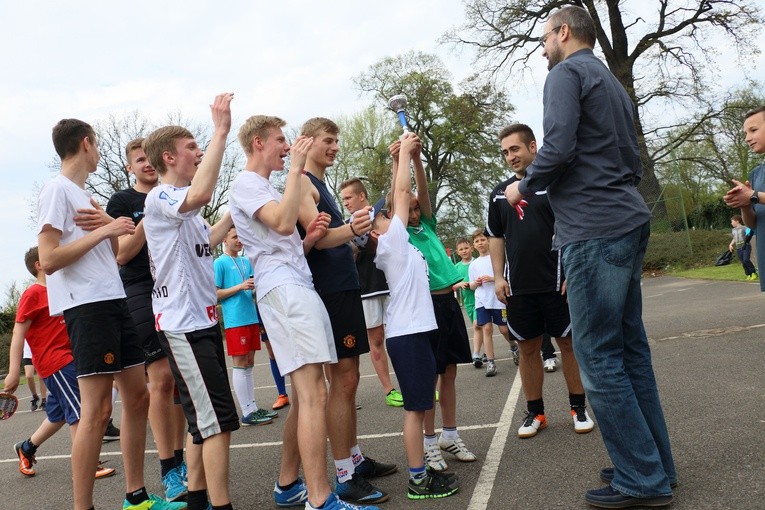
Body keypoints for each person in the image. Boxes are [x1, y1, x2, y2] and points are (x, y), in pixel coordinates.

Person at [503, 7, 676, 507]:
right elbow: (629, 158)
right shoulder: (609, 81)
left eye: (544, 38)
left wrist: (524, 187)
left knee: (598, 358)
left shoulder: (566, 74)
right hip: (626, 215)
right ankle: (653, 465)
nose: (542, 49)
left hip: (594, 228)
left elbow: (554, 149)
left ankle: (642, 478)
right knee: (630, 352)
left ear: (562, 32)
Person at [229, 114, 377, 510]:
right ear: (259, 142)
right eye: (280, 139)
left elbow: (284, 244)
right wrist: (296, 167)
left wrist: (308, 240)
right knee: (314, 394)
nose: (286, 145)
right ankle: (320, 498)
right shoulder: (247, 182)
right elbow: (279, 225)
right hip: (286, 293)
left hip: (295, 286)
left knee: (303, 396)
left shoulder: (265, 186)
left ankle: (288, 483)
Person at [37, 118, 184, 510]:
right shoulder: (57, 189)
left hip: (114, 300)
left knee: (137, 398)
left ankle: (135, 496)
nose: (99, 151)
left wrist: (106, 224)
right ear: (86, 144)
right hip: (87, 307)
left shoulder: (84, 196)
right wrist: (103, 231)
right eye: (98, 144)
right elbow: (49, 259)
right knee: (98, 410)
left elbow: (118, 248)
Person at [142, 94, 240, 510]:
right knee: (218, 422)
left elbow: (208, 241)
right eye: (191, 148)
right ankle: (221, 505)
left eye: (202, 145)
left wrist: (241, 205)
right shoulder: (160, 198)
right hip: (182, 324)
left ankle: (198, 499)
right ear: (169, 157)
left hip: (201, 321)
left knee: (204, 423)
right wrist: (220, 132)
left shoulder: (187, 212)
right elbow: (199, 196)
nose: (199, 153)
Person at [297, 118, 395, 505]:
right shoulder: (304, 181)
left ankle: (353, 459)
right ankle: (343, 475)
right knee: (343, 380)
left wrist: (357, 239)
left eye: (337, 140)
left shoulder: (322, 185)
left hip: (345, 286)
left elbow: (335, 241)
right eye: (328, 140)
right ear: (309, 142)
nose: (335, 146)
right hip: (330, 291)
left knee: (349, 379)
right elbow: (318, 241)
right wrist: (354, 229)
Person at [488, 123, 594, 439]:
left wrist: (573, 271)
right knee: (528, 347)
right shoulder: (498, 194)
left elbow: (575, 228)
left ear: (533, 147)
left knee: (568, 345)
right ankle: (535, 413)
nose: (510, 156)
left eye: (515, 149)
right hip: (519, 287)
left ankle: (579, 408)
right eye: (505, 152)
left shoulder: (556, 185)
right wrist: (497, 277)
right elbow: (495, 237)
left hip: (558, 281)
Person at [370, 132, 459, 500]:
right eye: (385, 215)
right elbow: (403, 195)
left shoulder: (403, 243)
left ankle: (420, 475)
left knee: (422, 404)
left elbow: (403, 197)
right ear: (377, 231)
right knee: (416, 409)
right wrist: (406, 153)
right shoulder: (390, 244)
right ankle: (418, 480)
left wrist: (399, 162)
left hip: (415, 332)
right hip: (407, 336)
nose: (394, 215)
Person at [107, 137, 189, 502]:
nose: (146, 164)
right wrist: (148, 216)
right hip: (140, 289)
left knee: (182, 376)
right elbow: (122, 255)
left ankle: (183, 459)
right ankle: (168, 468)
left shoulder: (174, 193)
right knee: (162, 375)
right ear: (130, 166)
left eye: (148, 158)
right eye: (138, 159)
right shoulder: (123, 202)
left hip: (176, 285)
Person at [389, 138, 477, 472]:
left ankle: (449, 434)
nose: (414, 213)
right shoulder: (401, 234)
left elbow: (421, 191)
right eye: (408, 209)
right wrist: (399, 164)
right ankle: (428, 441)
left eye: (416, 209)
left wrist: (417, 160)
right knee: (428, 378)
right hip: (425, 310)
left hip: (449, 304)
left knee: (450, 372)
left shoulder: (426, 225)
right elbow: (399, 195)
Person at [4, 247, 115, 481]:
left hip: (71, 358)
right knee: (80, 411)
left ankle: (26, 448)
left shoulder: (60, 289)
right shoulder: (32, 293)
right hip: (55, 363)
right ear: (38, 264)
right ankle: (89, 465)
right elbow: (18, 333)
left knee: (58, 415)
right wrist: (14, 371)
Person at [339, 177, 404, 408]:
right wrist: (354, 243)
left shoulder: (383, 215)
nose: (345, 202)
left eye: (348, 197)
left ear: (362, 196)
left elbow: (398, 192)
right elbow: (351, 253)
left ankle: (411, 384)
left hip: (392, 283)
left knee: (401, 335)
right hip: (367, 289)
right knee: (376, 339)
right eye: (343, 199)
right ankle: (390, 390)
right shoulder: (345, 226)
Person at [214, 226, 277, 425]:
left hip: (251, 318)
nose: (239, 240)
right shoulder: (220, 263)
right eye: (234, 237)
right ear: (224, 239)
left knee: (250, 362)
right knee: (240, 363)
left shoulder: (245, 261)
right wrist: (240, 287)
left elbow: (253, 285)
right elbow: (214, 294)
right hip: (235, 321)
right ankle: (247, 412)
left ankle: (253, 407)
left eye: (240, 237)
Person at [725, 107, 765, 291]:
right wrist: (745, 204)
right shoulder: (756, 173)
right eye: (745, 133)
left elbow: (756, 196)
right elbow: (753, 224)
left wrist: (754, 196)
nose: (747, 138)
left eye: (754, 130)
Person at [467, 229, 513, 378]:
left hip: (497, 299)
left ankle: (513, 346)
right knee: (486, 329)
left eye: (482, 240)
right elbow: (472, 286)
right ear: (474, 245)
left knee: (504, 330)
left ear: (488, 241)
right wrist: (476, 282)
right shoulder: (473, 265)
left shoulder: (497, 258)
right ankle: (491, 362)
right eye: (477, 241)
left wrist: (493, 278)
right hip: (481, 301)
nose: (480, 243)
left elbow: (504, 277)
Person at [451, 238, 484, 368]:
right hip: (468, 302)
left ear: (471, 248)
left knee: (477, 325)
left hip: (480, 299)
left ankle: (476, 354)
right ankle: (488, 350)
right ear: (457, 252)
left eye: (466, 248)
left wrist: (476, 283)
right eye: (461, 249)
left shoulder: (477, 262)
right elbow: (452, 285)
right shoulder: (456, 267)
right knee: (481, 327)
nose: (464, 251)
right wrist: (460, 284)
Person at [728, 215, 758, 280]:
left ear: (737, 221)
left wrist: (746, 241)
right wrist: (731, 244)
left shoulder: (744, 228)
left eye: (732, 221)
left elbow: (750, 232)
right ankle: (749, 274)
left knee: (746, 260)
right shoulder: (733, 230)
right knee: (743, 262)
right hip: (738, 248)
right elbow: (734, 238)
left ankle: (753, 273)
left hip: (745, 247)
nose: (731, 223)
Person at [22, 340, 47, 411]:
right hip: (28, 354)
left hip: (40, 351)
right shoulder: (22, 328)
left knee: (41, 376)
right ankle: (34, 396)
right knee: (29, 376)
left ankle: (44, 400)